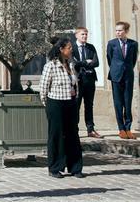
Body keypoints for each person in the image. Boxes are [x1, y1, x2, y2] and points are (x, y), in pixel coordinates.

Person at [40, 38, 84, 179]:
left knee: (72, 134)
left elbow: (75, 83)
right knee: (56, 135)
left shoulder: (71, 64)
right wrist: (48, 104)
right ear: (61, 49)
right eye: (69, 47)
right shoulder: (51, 66)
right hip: (55, 103)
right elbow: (43, 88)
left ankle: (75, 167)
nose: (71, 50)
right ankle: (55, 167)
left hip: (70, 103)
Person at [106, 21, 137, 139]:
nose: (118, 32)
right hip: (116, 76)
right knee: (118, 103)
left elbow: (133, 60)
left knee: (127, 102)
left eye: (120, 30)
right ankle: (121, 129)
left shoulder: (133, 44)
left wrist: (127, 70)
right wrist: (116, 69)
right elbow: (109, 58)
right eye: (116, 30)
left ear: (126, 31)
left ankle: (128, 128)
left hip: (128, 76)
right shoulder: (111, 44)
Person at [71, 26, 100, 138]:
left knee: (89, 105)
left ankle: (90, 129)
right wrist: (86, 62)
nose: (85, 36)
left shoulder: (91, 47)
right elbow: (73, 63)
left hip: (90, 79)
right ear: (76, 35)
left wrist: (82, 63)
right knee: (76, 105)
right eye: (82, 34)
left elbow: (96, 62)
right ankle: (74, 129)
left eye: (86, 34)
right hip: (78, 80)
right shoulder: (72, 48)